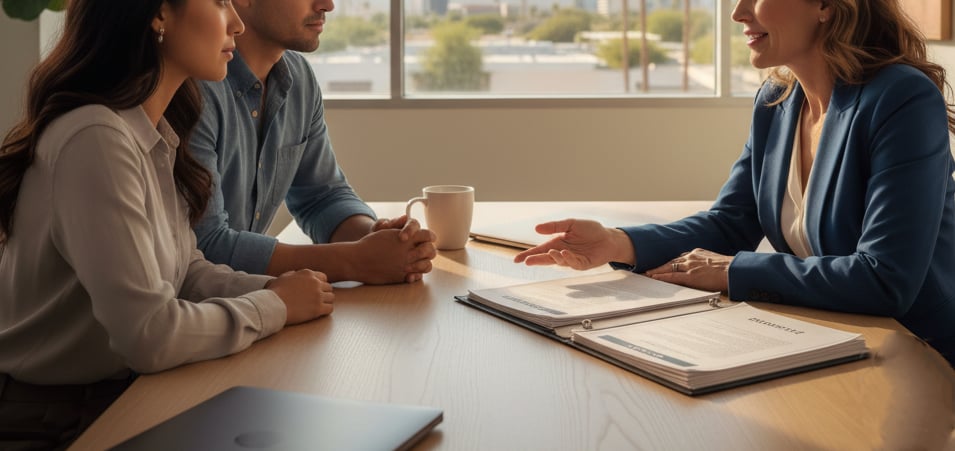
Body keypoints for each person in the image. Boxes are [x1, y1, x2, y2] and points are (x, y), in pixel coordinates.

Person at [515, 0, 955, 367]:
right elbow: (730, 224)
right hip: (836, 337)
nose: (738, 13)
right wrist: (615, 243)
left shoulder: (901, 99)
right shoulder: (776, 101)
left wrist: (730, 270)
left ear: (824, 5)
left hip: (920, 354)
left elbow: (885, 280)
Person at [0, 0, 335, 448]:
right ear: (157, 14)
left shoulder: (151, 131)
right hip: (55, 420)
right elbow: (149, 335)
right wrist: (276, 307)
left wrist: (280, 290)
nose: (236, 23)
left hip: (121, 392)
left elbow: (186, 273)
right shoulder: (95, 139)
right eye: (219, 2)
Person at [191, 0, 437, 284]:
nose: (328, 5)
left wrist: (374, 238)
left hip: (249, 304)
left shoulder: (299, 79)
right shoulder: (195, 90)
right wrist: (353, 260)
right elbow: (204, 246)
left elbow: (321, 196)